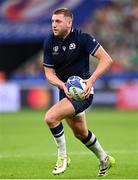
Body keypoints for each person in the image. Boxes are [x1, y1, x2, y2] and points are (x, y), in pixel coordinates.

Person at [43, 8, 115, 177]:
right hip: (66, 91)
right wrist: (63, 86)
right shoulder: (49, 42)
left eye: (58, 21)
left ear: (69, 22)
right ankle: (105, 159)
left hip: (83, 92)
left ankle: (62, 157)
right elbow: (49, 74)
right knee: (80, 133)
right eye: (53, 21)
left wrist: (91, 81)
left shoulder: (82, 38)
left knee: (51, 118)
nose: (54, 25)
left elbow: (107, 59)